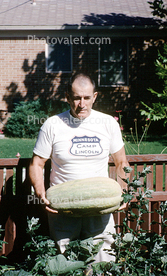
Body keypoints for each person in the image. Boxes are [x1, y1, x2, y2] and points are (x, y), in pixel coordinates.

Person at [28, 72, 130, 263]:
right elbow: (37, 163)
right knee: (65, 264)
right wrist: (41, 193)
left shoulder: (108, 123)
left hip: (100, 206)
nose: (81, 104)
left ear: (95, 97)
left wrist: (124, 191)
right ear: (67, 97)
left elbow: (121, 162)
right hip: (63, 208)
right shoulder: (52, 125)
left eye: (86, 98)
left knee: (104, 263)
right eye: (76, 98)